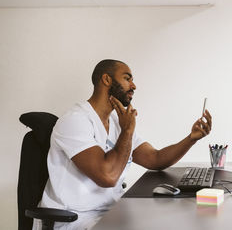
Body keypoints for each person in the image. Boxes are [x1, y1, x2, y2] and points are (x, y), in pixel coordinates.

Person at [33, 59, 212, 229]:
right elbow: (107, 177)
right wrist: (127, 131)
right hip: (74, 220)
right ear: (106, 79)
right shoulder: (75, 121)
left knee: (174, 220)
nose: (133, 86)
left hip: (110, 214)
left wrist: (192, 138)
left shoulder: (117, 121)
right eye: (127, 78)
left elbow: (155, 158)